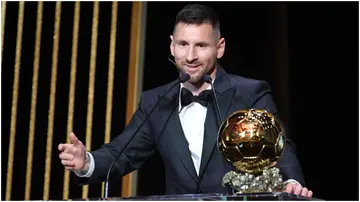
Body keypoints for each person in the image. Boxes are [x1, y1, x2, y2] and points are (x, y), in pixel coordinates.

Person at [58, 4, 313, 198]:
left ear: (219, 47)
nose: (190, 56)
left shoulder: (249, 92)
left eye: (201, 46)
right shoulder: (156, 101)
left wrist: (293, 182)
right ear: (172, 46)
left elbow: (279, 146)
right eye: (183, 44)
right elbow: (121, 153)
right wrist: (86, 162)